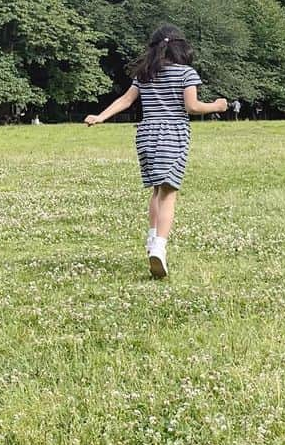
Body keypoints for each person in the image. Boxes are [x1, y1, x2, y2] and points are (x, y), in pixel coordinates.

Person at [84, 24, 226, 279]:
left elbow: (125, 100)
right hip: (172, 134)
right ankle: (159, 247)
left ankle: (151, 238)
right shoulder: (186, 73)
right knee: (169, 191)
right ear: (180, 47)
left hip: (146, 134)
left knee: (157, 189)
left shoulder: (145, 75)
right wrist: (216, 105)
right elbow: (192, 106)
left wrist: (100, 116)